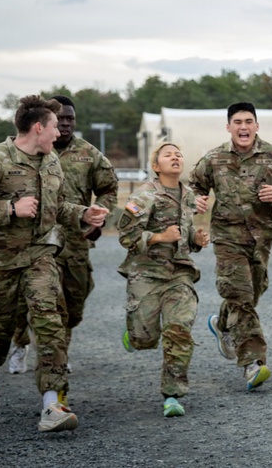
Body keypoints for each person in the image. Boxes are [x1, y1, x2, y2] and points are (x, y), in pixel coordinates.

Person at [0, 95, 109, 432]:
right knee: (0, 327)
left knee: (51, 322)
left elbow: (55, 205)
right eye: (55, 125)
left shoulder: (51, 161)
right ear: (39, 127)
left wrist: (83, 212)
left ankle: (52, 404)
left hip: (41, 256)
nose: (60, 132)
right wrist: (10, 209)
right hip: (1, 261)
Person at [189, 102, 272, 391]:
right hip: (227, 238)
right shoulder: (214, 159)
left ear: (257, 126)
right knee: (240, 295)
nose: (243, 127)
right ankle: (253, 363)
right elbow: (192, 187)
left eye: (249, 121)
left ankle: (223, 324)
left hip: (261, 238)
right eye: (238, 122)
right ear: (228, 127)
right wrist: (194, 200)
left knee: (252, 292)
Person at [7, 95, 118, 377]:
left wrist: (99, 215)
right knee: (33, 301)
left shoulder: (88, 154)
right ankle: (26, 345)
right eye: (61, 119)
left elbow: (109, 188)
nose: (66, 124)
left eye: (70, 119)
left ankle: (57, 349)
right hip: (35, 241)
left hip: (74, 243)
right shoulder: (26, 150)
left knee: (73, 304)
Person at [118, 142, 208, 417]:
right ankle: (135, 334)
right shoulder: (144, 196)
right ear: (156, 166)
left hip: (179, 273)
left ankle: (172, 395)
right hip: (146, 273)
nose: (175, 157)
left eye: (179, 154)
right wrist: (159, 237)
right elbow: (126, 236)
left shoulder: (189, 195)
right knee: (145, 339)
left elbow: (187, 234)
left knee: (179, 330)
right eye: (168, 155)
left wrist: (196, 239)